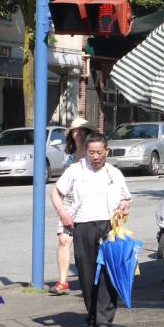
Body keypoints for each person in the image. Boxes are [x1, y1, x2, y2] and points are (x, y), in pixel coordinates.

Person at [51, 133, 132, 327]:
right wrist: (63, 213)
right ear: (86, 152)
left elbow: (126, 198)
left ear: (107, 151)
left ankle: (104, 319)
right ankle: (93, 315)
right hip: (82, 225)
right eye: (91, 152)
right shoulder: (76, 170)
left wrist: (124, 205)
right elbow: (56, 192)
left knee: (107, 274)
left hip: (108, 226)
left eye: (99, 152)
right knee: (87, 274)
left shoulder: (114, 173)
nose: (95, 157)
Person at [49, 118, 96, 296]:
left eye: (82, 130)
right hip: (68, 202)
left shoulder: (92, 153)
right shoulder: (69, 155)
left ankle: (91, 279)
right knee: (64, 240)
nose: (78, 133)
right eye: (75, 130)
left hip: (87, 202)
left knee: (88, 245)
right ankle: (62, 281)